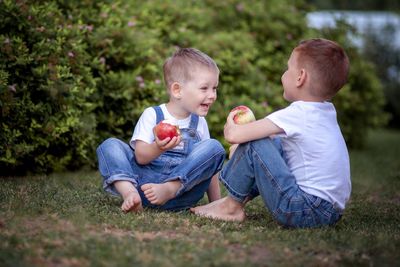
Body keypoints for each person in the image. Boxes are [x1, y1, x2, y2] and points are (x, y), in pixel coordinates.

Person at [191, 38, 351, 228]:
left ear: (300, 77)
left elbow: (235, 136)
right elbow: (272, 147)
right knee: (272, 144)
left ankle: (231, 206)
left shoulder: (298, 113)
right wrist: (248, 158)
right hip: (328, 212)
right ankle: (233, 201)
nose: (284, 75)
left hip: (303, 209)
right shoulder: (325, 112)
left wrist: (231, 124)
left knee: (257, 141)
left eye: (287, 69)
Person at [96, 48, 225, 213]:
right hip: (144, 187)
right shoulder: (153, 115)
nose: (212, 95)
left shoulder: (199, 123)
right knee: (110, 145)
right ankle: (130, 193)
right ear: (177, 90)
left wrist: (217, 203)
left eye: (214, 88)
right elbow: (141, 157)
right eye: (204, 88)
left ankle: (170, 187)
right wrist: (158, 147)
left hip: (180, 194)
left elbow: (208, 166)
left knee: (214, 148)